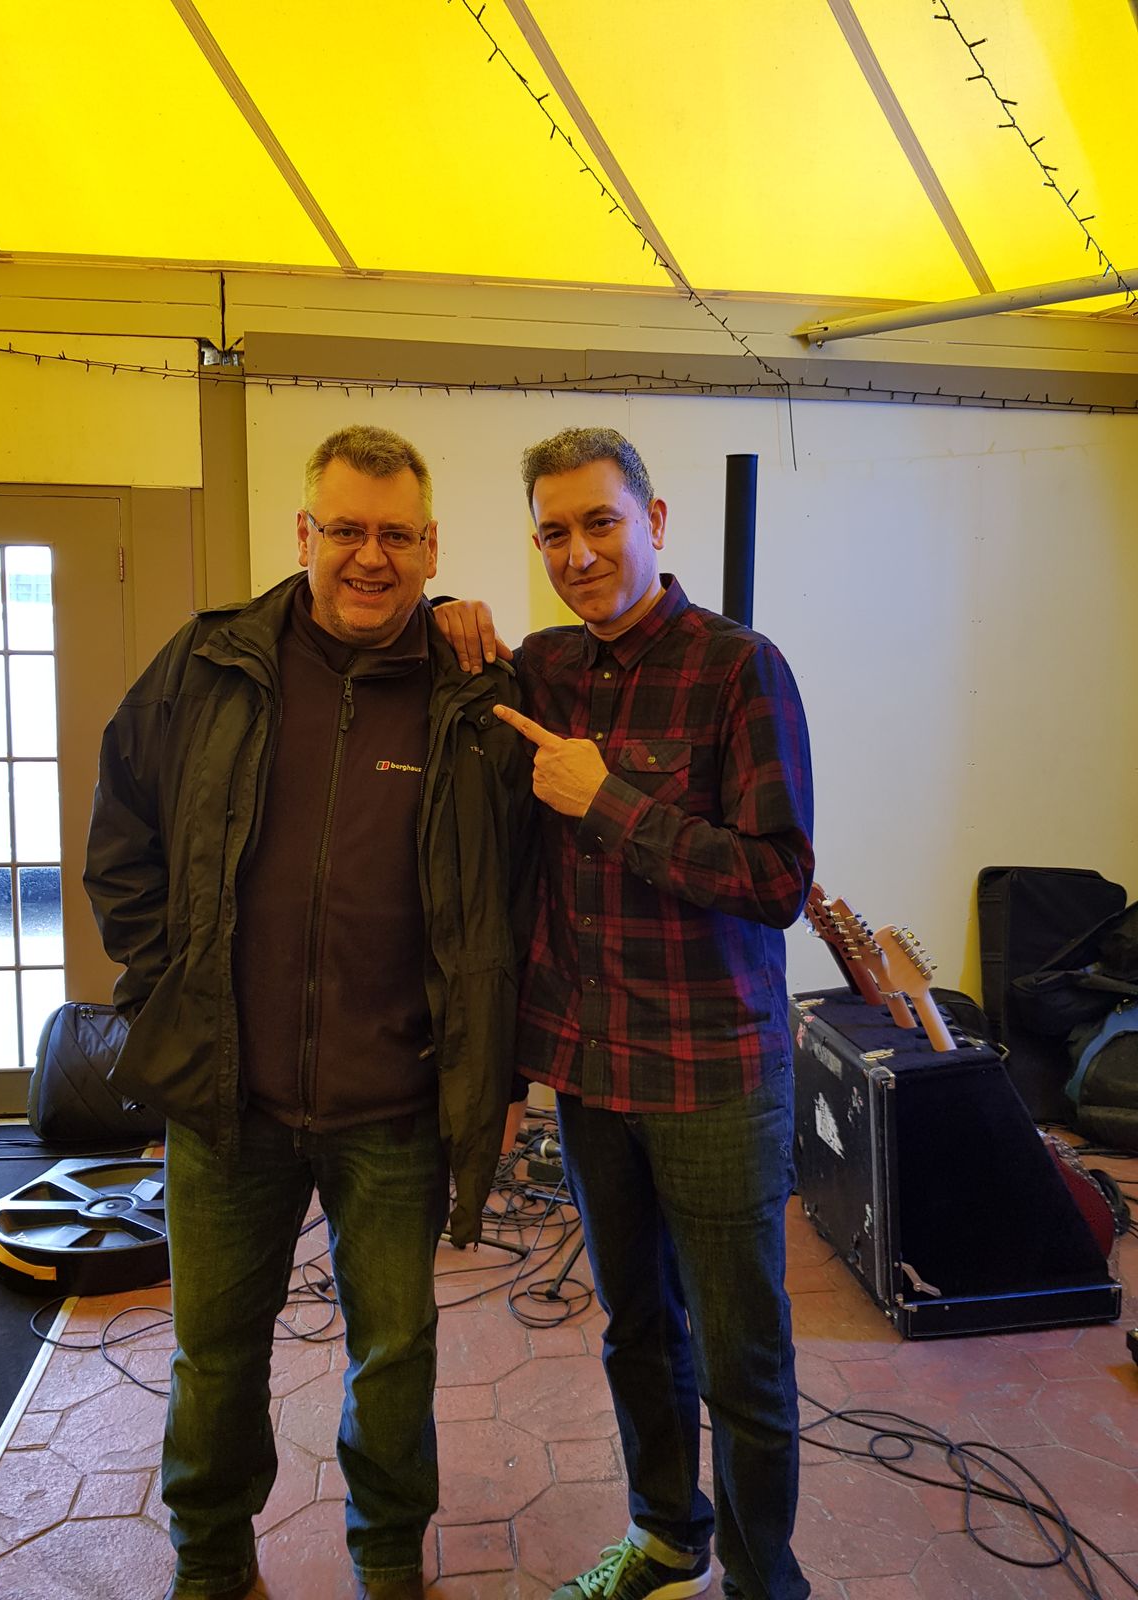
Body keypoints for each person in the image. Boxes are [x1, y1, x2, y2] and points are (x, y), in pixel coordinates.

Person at [84, 425, 533, 1600]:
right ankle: (212, 1563)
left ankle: (387, 1561)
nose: (369, 556)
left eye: (395, 534)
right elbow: (121, 833)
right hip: (228, 1096)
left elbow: (517, 893)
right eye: (345, 529)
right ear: (303, 534)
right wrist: (169, 987)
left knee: (395, 1353)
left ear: (431, 546)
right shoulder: (208, 666)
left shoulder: (476, 696)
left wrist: (495, 1064)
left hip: (397, 1103)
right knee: (213, 1356)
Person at [435, 426, 814, 1600]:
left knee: (743, 1358)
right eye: (553, 532)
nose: (579, 552)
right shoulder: (546, 668)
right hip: (592, 1074)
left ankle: (762, 1582)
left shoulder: (740, 668)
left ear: (653, 521)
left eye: (600, 521)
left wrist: (610, 800)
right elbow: (444, 663)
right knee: (636, 1329)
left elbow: (778, 879)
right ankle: (665, 1537)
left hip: (713, 1078)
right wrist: (446, 610)